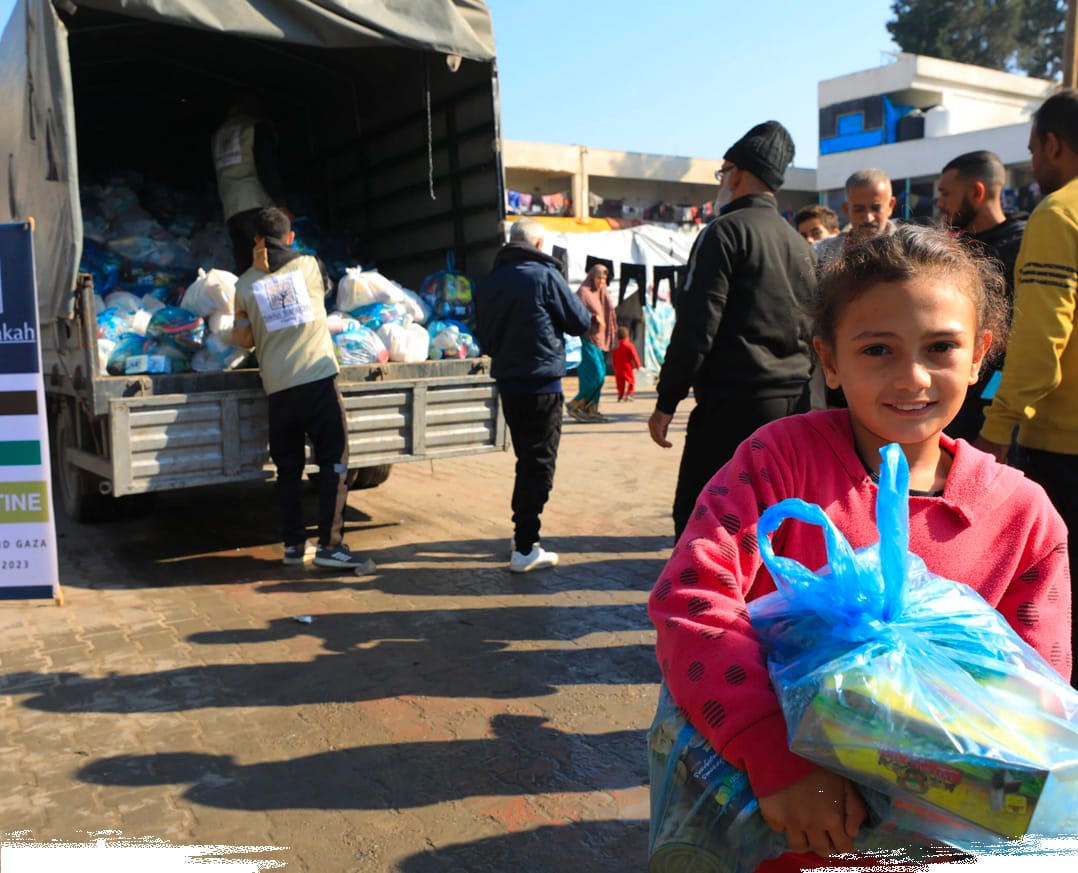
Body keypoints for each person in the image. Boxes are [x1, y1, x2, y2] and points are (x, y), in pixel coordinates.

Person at [649, 225, 1070, 872]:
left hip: (939, 844)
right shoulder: (776, 464)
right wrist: (772, 754)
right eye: (878, 348)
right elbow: (692, 597)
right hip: (781, 828)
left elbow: (1032, 700)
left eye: (941, 347)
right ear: (830, 358)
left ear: (982, 353)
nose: (912, 376)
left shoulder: (1023, 519)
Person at [648, 120, 816, 539]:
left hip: (731, 406)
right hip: (791, 406)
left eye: (723, 173)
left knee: (702, 518)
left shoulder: (724, 232)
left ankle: (703, 600)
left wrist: (667, 400)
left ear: (737, 174)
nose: (722, 182)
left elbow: (697, 325)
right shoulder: (799, 244)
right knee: (772, 521)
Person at [977, 90, 1078, 686]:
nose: (1032, 161)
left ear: (1054, 145)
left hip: (1064, 447)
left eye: (1033, 148)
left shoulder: (1058, 213)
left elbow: (1042, 341)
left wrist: (997, 427)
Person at [231, 207, 376, 574]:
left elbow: (241, 338)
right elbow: (326, 296)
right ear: (290, 237)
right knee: (334, 462)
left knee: (288, 470)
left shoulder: (243, 285)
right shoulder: (310, 265)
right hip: (316, 379)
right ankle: (330, 545)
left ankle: (294, 545)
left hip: (278, 389)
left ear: (255, 241)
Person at [474, 217, 592, 573]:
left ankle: (522, 536)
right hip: (541, 384)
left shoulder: (490, 282)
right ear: (539, 245)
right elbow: (580, 321)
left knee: (527, 459)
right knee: (539, 464)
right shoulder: (544, 276)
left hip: (509, 384)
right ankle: (526, 547)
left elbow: (485, 338)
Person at [936, 150, 1027, 443]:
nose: (940, 203)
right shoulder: (952, 247)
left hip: (992, 419)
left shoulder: (1022, 247)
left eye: (946, 193)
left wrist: (995, 419)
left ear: (977, 192)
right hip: (951, 408)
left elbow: (1019, 344)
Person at [212, 99, 292, 273]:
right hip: (257, 204)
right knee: (270, 264)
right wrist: (280, 203)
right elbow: (266, 167)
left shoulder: (218, 136)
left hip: (231, 208)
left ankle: (248, 300)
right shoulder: (254, 127)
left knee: (247, 266)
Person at [566, 264, 618, 423]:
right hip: (586, 339)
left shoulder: (602, 293)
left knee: (600, 376)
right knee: (595, 374)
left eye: (604, 279)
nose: (601, 282)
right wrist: (593, 317)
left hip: (598, 340)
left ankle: (590, 409)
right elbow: (574, 311)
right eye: (599, 278)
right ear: (591, 277)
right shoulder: (584, 293)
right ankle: (575, 404)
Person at [814, 168, 897, 266]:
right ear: (846, 210)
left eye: (876, 208)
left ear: (890, 206)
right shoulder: (822, 252)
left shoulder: (909, 250)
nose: (868, 218)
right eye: (859, 209)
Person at [612, 325, 642, 402]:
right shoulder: (629, 345)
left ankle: (620, 396)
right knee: (631, 380)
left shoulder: (616, 346)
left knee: (620, 382)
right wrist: (638, 365)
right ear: (627, 336)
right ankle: (629, 394)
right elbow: (634, 356)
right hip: (627, 366)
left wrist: (614, 366)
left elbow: (614, 357)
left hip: (618, 367)